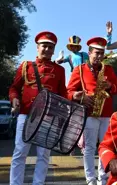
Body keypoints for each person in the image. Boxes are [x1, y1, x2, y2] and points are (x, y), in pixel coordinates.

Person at [9, 31, 67, 185]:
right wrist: (14, 99)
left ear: (54, 50)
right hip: (26, 114)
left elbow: (63, 95)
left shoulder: (60, 70)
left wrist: (62, 116)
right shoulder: (25, 66)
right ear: (37, 47)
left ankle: (38, 183)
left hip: (48, 117)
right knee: (20, 153)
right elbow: (14, 88)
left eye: (50, 47)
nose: (47, 49)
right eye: (44, 46)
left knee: (43, 155)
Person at [67, 37, 117, 185]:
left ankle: (103, 178)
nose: (99, 56)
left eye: (102, 53)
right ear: (89, 53)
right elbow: (69, 91)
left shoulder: (108, 69)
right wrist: (79, 98)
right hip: (90, 113)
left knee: (105, 146)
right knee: (89, 148)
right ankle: (90, 180)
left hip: (106, 113)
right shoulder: (80, 69)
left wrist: (109, 85)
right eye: (96, 53)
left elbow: (116, 89)